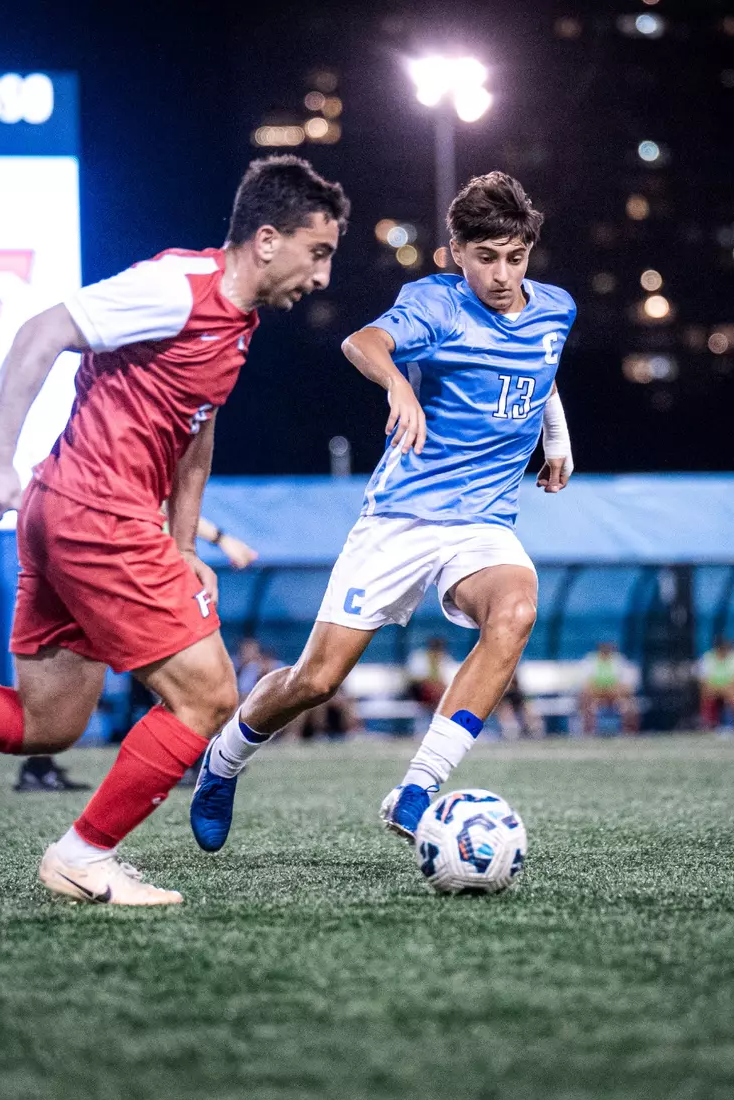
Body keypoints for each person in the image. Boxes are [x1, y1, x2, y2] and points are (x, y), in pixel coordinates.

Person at [0, 155, 349, 906]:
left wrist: (181, 550)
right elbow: (40, 332)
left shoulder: (236, 326)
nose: (324, 275)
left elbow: (195, 437)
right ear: (268, 239)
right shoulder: (176, 287)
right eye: (320, 252)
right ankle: (83, 854)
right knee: (208, 697)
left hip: (70, 513)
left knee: (51, 720)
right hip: (96, 512)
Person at [189, 171, 575, 849]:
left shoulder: (556, 309)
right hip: (403, 515)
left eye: (515, 257)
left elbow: (541, 370)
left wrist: (557, 441)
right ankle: (223, 760)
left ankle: (417, 790)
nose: (502, 274)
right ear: (456, 251)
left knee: (515, 610)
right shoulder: (434, 304)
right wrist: (398, 382)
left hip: (483, 521)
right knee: (317, 679)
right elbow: (361, 342)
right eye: (486, 258)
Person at [14, 516, 259, 793]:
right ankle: (36, 766)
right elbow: (167, 506)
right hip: (120, 585)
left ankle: (38, 767)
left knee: (175, 680)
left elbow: (168, 509)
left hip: (123, 583)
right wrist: (222, 539)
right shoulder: (122, 493)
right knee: (177, 678)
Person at [577, 640, 637, 735]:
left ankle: (629, 735)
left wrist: (612, 692)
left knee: (630, 707)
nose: (606, 652)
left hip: (616, 697)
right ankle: (588, 734)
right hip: (596, 697)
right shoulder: (590, 661)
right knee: (585, 701)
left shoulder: (619, 660)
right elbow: (586, 686)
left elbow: (627, 687)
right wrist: (603, 692)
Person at [405, 635, 459, 713]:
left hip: (438, 693)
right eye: (435, 650)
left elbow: (449, 681)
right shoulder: (419, 657)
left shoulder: (446, 660)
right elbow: (413, 678)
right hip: (419, 691)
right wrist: (432, 683)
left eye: (439, 650)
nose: (437, 653)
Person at [697, 635, 734, 729]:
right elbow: (704, 681)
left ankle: (730, 724)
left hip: (727, 690)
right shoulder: (708, 658)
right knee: (707, 693)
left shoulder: (732, 659)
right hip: (712, 690)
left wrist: (725, 691)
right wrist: (719, 690)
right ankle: (708, 723)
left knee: (733, 695)